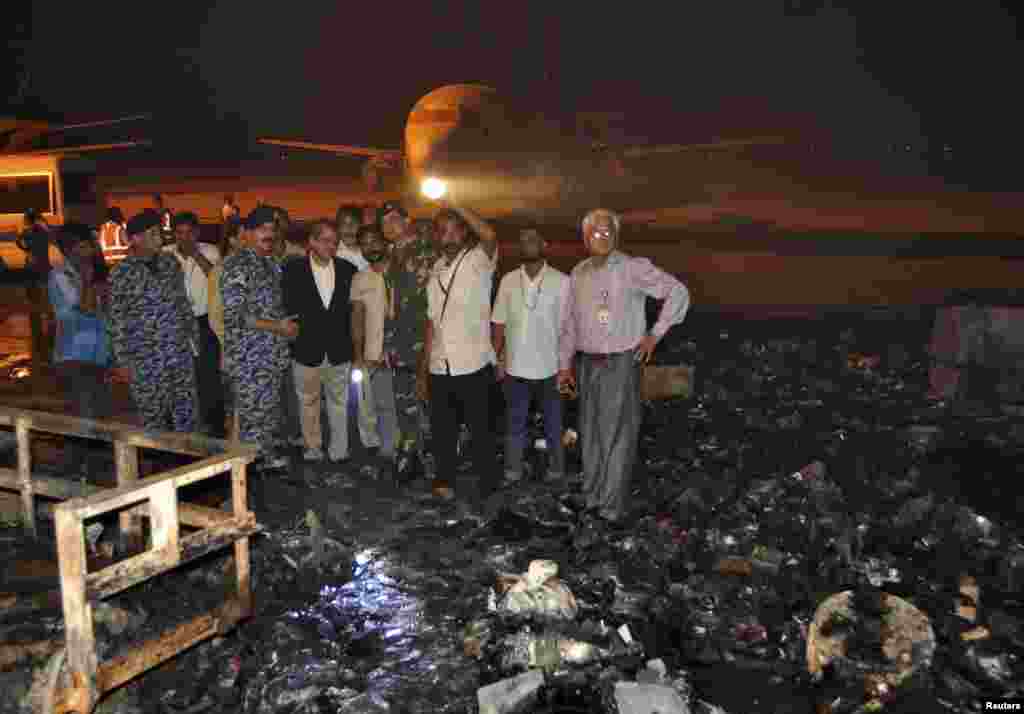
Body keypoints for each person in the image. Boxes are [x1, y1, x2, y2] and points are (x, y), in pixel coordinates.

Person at [558, 209, 691, 522]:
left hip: (620, 362)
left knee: (617, 436)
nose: (602, 236)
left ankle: (611, 507)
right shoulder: (578, 273)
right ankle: (592, 495)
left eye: (608, 231)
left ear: (616, 235)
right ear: (585, 237)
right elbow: (570, 322)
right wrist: (564, 365)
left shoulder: (632, 268)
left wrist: (655, 334)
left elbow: (677, 292)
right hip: (588, 362)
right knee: (590, 432)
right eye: (595, 231)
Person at [424, 202, 499, 506]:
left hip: (474, 362)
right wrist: (424, 368)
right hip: (440, 364)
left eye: (455, 230)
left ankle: (487, 484)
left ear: (465, 232)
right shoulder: (435, 269)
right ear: (437, 236)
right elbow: (432, 321)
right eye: (443, 231)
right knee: (443, 430)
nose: (449, 236)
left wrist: (455, 202)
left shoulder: (478, 259)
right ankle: (445, 480)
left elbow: (490, 235)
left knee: (481, 429)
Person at [221, 206, 298, 470]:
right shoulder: (236, 265)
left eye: (272, 229)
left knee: (267, 412)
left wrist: (286, 327)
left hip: (271, 353)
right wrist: (278, 327)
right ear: (247, 233)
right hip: (249, 357)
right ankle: (247, 471)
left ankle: (264, 458)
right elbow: (236, 315)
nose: (269, 234)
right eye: (262, 229)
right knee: (251, 414)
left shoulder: (271, 264)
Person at [108, 210, 198, 432]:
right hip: (145, 357)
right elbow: (117, 320)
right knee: (153, 416)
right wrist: (123, 362)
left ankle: (185, 452)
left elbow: (183, 303)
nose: (159, 238)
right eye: (153, 234)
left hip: (178, 351)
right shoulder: (121, 273)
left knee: (186, 413)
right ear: (136, 239)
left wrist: (193, 339)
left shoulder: (170, 263)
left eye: (159, 233)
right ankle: (157, 453)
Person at [492, 228, 570, 484]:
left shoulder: (562, 281)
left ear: (544, 245)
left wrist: (566, 366)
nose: (528, 244)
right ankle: (513, 471)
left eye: (534, 240)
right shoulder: (508, 280)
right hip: (515, 367)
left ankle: (557, 471)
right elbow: (499, 323)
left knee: (554, 424)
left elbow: (568, 328)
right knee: (515, 424)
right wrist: (497, 358)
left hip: (551, 368)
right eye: (523, 240)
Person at [282, 220, 357, 463]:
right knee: (307, 402)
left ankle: (339, 450)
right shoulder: (292, 270)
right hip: (305, 348)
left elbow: (353, 311)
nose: (331, 246)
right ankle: (312, 448)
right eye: (325, 241)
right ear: (311, 242)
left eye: (334, 242)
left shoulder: (348, 269)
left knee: (339, 402)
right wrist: (292, 339)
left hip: (339, 348)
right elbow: (286, 307)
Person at [379, 203, 438, 478]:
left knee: (428, 398)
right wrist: (389, 339)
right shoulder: (392, 253)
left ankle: (434, 457)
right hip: (399, 339)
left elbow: (431, 300)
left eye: (393, 219)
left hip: (423, 336)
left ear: (407, 220)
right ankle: (410, 454)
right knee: (404, 401)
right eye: (383, 222)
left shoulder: (424, 250)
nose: (388, 226)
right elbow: (391, 301)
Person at [166, 212, 225, 437]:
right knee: (178, 375)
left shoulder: (211, 251)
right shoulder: (165, 254)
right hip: (176, 322)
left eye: (189, 233)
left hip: (204, 321)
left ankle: (215, 428)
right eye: (180, 233)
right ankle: (180, 427)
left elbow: (217, 279)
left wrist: (196, 255)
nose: (185, 238)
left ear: (197, 233)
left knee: (208, 375)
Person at [350, 226, 399, 475]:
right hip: (375, 353)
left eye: (374, 241)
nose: (370, 247)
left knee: (412, 404)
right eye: (364, 244)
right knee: (382, 405)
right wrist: (358, 355)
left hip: (405, 351)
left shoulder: (402, 270)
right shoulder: (360, 279)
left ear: (384, 241)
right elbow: (357, 318)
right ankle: (388, 453)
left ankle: (414, 450)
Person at [208, 218, 243, 440]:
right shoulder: (221, 271)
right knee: (235, 413)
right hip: (234, 352)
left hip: (255, 352)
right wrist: (234, 343)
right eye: (244, 235)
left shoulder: (254, 266)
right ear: (232, 240)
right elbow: (215, 317)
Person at [336, 205, 369, 271]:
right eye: (344, 223)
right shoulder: (333, 254)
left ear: (361, 226)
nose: (349, 227)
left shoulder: (370, 250)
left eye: (354, 223)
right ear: (338, 227)